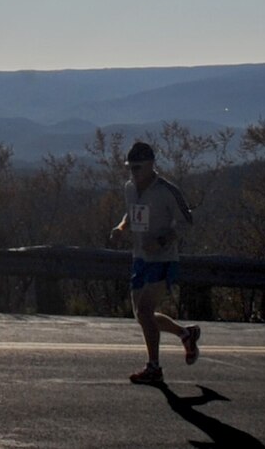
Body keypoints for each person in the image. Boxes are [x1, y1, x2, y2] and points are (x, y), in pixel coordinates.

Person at [114, 140, 200, 384]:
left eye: (138, 167)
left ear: (151, 165)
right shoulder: (130, 188)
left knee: (144, 311)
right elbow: (131, 213)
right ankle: (186, 334)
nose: (134, 172)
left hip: (162, 259)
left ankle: (154, 368)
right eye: (131, 168)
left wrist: (162, 241)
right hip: (139, 257)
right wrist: (121, 228)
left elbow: (186, 221)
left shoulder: (166, 191)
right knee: (143, 316)